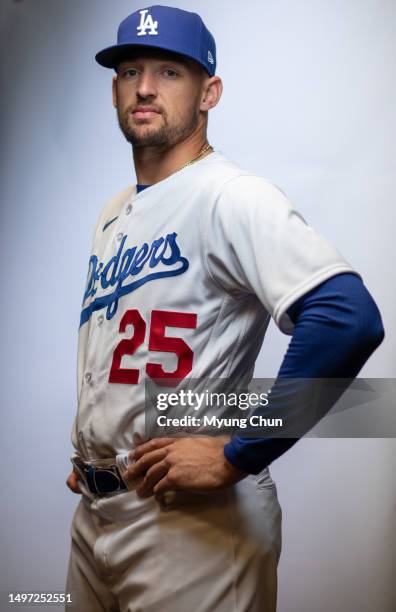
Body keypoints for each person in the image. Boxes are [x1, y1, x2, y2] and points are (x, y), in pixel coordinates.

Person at [65, 5, 384, 611]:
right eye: (131, 71)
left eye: (170, 72)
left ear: (209, 91)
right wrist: (99, 449)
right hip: (98, 513)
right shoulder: (112, 213)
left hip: (195, 528)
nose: (147, 87)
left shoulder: (231, 196)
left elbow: (347, 319)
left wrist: (240, 452)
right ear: (114, 91)